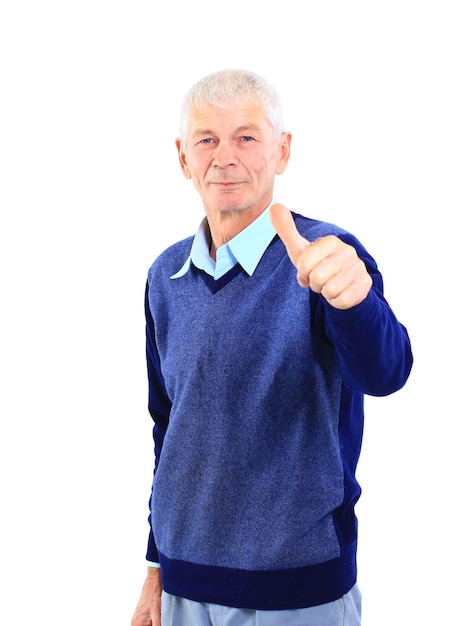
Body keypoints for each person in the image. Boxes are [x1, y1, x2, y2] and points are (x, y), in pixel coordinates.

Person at [131, 69, 413, 626]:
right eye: (206, 139)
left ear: (282, 151)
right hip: (183, 583)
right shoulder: (164, 276)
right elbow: (170, 429)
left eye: (247, 136)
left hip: (297, 588)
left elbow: (386, 372)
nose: (225, 156)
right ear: (184, 158)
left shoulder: (324, 256)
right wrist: (154, 567)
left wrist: (356, 302)